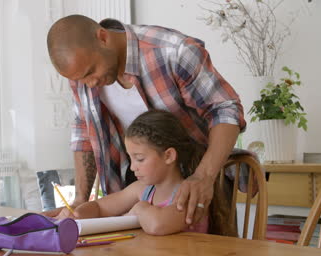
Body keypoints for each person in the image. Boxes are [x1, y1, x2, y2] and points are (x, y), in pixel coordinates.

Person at [45, 14, 245, 226]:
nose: (90, 84)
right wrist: (80, 200)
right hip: (143, 182)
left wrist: (204, 176)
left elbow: (224, 109)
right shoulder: (83, 77)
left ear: (103, 37)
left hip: (200, 176)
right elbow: (84, 135)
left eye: (91, 72)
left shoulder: (174, 51)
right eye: (80, 80)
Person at [72, 109, 208, 235]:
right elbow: (100, 207)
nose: (132, 167)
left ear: (168, 156)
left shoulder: (189, 195)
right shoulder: (143, 189)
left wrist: (140, 208)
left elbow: (157, 225)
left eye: (140, 159)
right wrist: (78, 214)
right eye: (131, 158)